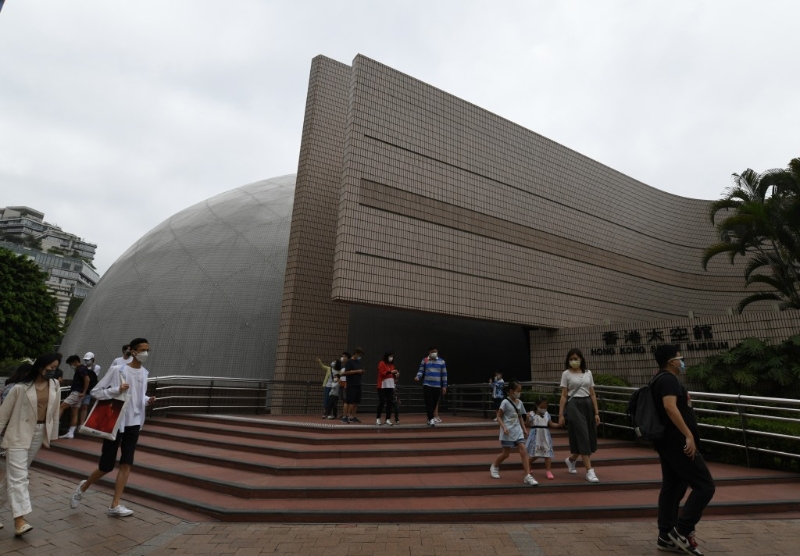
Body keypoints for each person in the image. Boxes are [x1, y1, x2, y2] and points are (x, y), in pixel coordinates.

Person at [69, 337, 156, 517]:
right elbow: (96, 392)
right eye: (142, 350)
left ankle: (115, 504)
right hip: (116, 423)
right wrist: (116, 390)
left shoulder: (145, 373)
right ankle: (83, 487)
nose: (145, 353)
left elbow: (138, 396)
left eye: (147, 350)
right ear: (133, 351)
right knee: (106, 466)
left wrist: (147, 400)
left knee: (126, 463)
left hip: (134, 423)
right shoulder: (118, 370)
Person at [652, 345, 715, 555]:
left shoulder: (659, 378)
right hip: (678, 442)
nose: (682, 361)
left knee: (673, 486)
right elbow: (670, 407)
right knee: (705, 486)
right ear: (671, 361)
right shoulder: (668, 380)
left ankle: (665, 535)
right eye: (680, 358)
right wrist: (688, 435)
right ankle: (682, 531)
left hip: (668, 442)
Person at [0, 354, 60, 536]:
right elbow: (3, 415)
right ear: (40, 367)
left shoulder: (55, 385)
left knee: (14, 476)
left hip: (38, 432)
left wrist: (52, 435)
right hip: (18, 433)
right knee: (19, 478)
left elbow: (55, 411)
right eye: (50, 366)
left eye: (55, 367)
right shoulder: (19, 388)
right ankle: (20, 520)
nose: (53, 370)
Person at [557, 348, 601, 483]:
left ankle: (571, 460)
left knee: (587, 436)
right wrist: (560, 414)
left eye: (576, 358)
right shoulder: (566, 374)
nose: (574, 361)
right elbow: (564, 395)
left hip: (587, 403)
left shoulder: (588, 373)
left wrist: (596, 412)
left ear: (581, 359)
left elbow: (592, 393)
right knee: (582, 435)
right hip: (573, 405)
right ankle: (589, 471)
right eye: (571, 359)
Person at [489, 380, 537, 486]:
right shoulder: (505, 402)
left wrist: (524, 429)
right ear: (511, 391)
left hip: (517, 430)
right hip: (508, 431)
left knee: (523, 450)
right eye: (517, 391)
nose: (519, 393)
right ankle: (495, 466)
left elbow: (520, 416)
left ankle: (527, 475)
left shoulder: (520, 403)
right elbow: (499, 416)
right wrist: (504, 427)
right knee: (506, 454)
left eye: (520, 391)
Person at [525, 396, 560, 480]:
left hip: (545, 435)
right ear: (537, 405)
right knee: (535, 453)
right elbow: (528, 425)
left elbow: (551, 424)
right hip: (535, 435)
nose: (543, 409)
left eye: (545, 407)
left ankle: (548, 470)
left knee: (547, 453)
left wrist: (558, 425)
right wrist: (527, 418)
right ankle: (528, 464)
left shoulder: (547, 414)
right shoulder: (532, 414)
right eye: (541, 407)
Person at [59, 355, 90, 439]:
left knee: (61, 407)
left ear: (75, 362)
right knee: (74, 411)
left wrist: (83, 392)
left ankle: (53, 426)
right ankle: (71, 432)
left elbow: (87, 379)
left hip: (77, 392)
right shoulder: (82, 368)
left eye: (71, 363)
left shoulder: (81, 368)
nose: (71, 365)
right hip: (79, 393)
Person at [414, 346, 447, 427]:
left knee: (435, 402)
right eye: (432, 351)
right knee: (429, 402)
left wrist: (444, 386)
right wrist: (417, 377)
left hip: (437, 385)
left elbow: (444, 374)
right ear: (429, 352)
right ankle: (431, 419)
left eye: (435, 351)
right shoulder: (425, 360)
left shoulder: (441, 362)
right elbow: (421, 371)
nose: (434, 353)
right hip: (427, 384)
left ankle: (429, 418)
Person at [78, 352, 102, 431]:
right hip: (80, 388)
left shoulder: (97, 367)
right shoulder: (82, 367)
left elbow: (92, 377)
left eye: (88, 360)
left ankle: (82, 424)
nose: (86, 362)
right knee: (77, 406)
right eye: (85, 360)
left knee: (85, 406)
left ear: (93, 360)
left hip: (89, 390)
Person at [340, 348, 364, 423]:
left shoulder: (358, 362)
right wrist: (357, 371)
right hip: (351, 384)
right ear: (356, 353)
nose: (360, 357)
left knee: (356, 401)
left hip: (358, 383)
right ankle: (344, 416)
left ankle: (352, 416)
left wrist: (361, 371)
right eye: (359, 355)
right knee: (348, 401)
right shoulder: (349, 361)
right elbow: (346, 372)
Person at [375, 351, 399, 426]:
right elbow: (382, 373)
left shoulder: (392, 365)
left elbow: (393, 376)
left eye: (392, 356)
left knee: (389, 402)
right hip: (382, 386)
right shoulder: (381, 363)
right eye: (390, 356)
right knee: (382, 402)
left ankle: (387, 419)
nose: (391, 358)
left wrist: (396, 375)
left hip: (390, 386)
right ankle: (378, 418)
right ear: (386, 356)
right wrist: (391, 372)